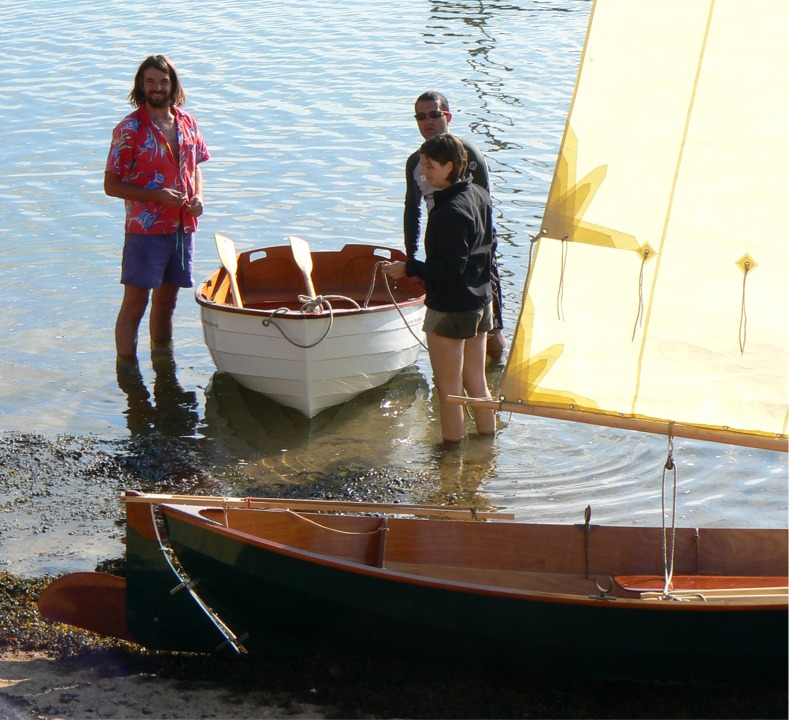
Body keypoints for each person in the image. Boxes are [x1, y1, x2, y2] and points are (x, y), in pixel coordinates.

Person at [385, 133, 497, 443]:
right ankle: (488, 445)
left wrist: (409, 267)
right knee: (477, 381)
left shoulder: (447, 212)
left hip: (451, 307)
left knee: (449, 389)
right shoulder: (479, 195)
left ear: (450, 167)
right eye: (422, 166)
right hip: (481, 301)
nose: (424, 173)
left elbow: (449, 268)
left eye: (430, 166)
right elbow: (489, 248)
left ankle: (450, 456)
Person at [105, 55, 210, 362]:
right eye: (150, 81)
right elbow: (111, 185)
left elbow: (196, 169)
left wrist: (199, 198)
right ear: (141, 85)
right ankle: (127, 373)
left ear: (173, 85)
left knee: (167, 304)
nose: (157, 87)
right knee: (135, 305)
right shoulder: (129, 129)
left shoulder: (188, 123)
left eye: (163, 81)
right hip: (146, 230)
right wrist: (156, 196)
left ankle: (163, 368)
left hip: (182, 227)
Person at [404, 91, 506, 358]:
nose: (428, 121)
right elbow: (412, 210)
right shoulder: (416, 162)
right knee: (455, 335)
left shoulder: (467, 153)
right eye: (421, 116)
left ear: (447, 116)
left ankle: (497, 374)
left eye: (435, 114)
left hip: (477, 252)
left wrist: (487, 255)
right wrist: (411, 258)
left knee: (492, 337)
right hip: (444, 244)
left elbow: (484, 205)